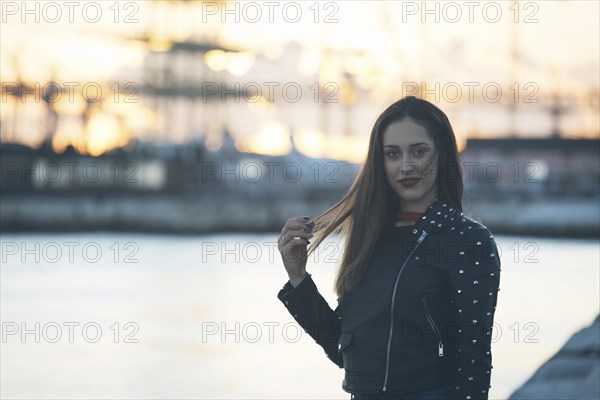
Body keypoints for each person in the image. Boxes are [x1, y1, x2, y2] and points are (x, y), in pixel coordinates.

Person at [276, 96, 501, 400]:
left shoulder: (467, 240)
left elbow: (474, 361)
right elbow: (344, 351)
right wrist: (298, 277)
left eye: (418, 151)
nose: (406, 165)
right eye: (393, 154)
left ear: (442, 154)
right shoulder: (369, 236)